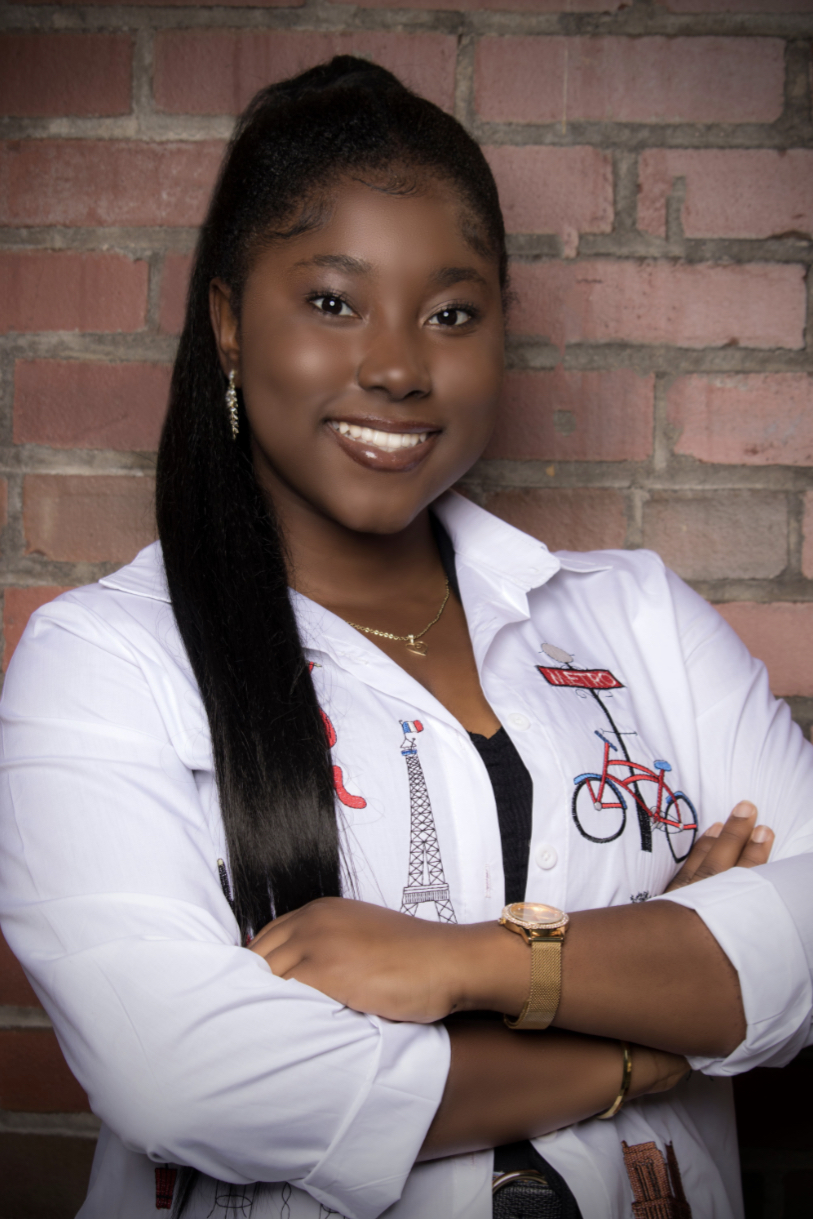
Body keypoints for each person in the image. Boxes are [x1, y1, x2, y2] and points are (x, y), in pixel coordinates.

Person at [0, 57, 810, 1219]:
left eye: (451, 314)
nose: (395, 366)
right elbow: (186, 1075)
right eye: (333, 303)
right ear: (229, 322)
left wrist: (471, 961)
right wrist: (643, 1028)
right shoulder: (104, 661)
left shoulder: (638, 617)